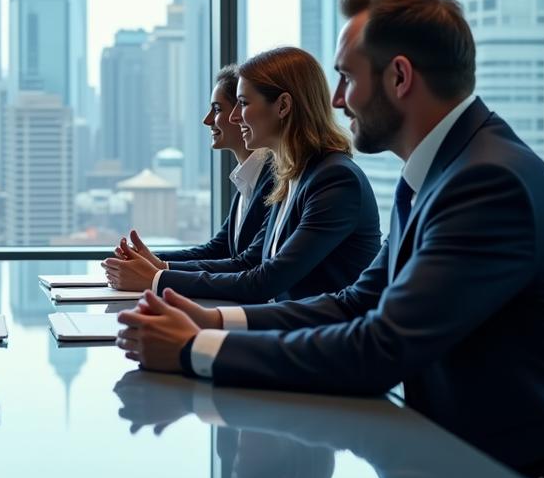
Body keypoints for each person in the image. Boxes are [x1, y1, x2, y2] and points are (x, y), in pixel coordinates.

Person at [116, 0, 544, 475]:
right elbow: (355, 303)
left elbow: (380, 349)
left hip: (538, 471)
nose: (338, 99)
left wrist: (195, 348)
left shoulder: (486, 183)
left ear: (400, 77)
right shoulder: (437, 174)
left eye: (346, 77)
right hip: (465, 448)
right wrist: (212, 319)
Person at [105, 46, 381, 304]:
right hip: (287, 334)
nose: (235, 117)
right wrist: (157, 268)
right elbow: (251, 262)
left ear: (283, 106)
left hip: (321, 344)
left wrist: (157, 277)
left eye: (243, 103)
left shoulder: (334, 180)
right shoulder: (291, 175)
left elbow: (265, 280)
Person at [110, 64, 274, 274]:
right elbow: (219, 250)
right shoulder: (247, 177)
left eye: (216, 109)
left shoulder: (272, 179)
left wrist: (160, 270)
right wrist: (149, 260)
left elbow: (249, 263)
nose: (207, 120)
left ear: (240, 112)